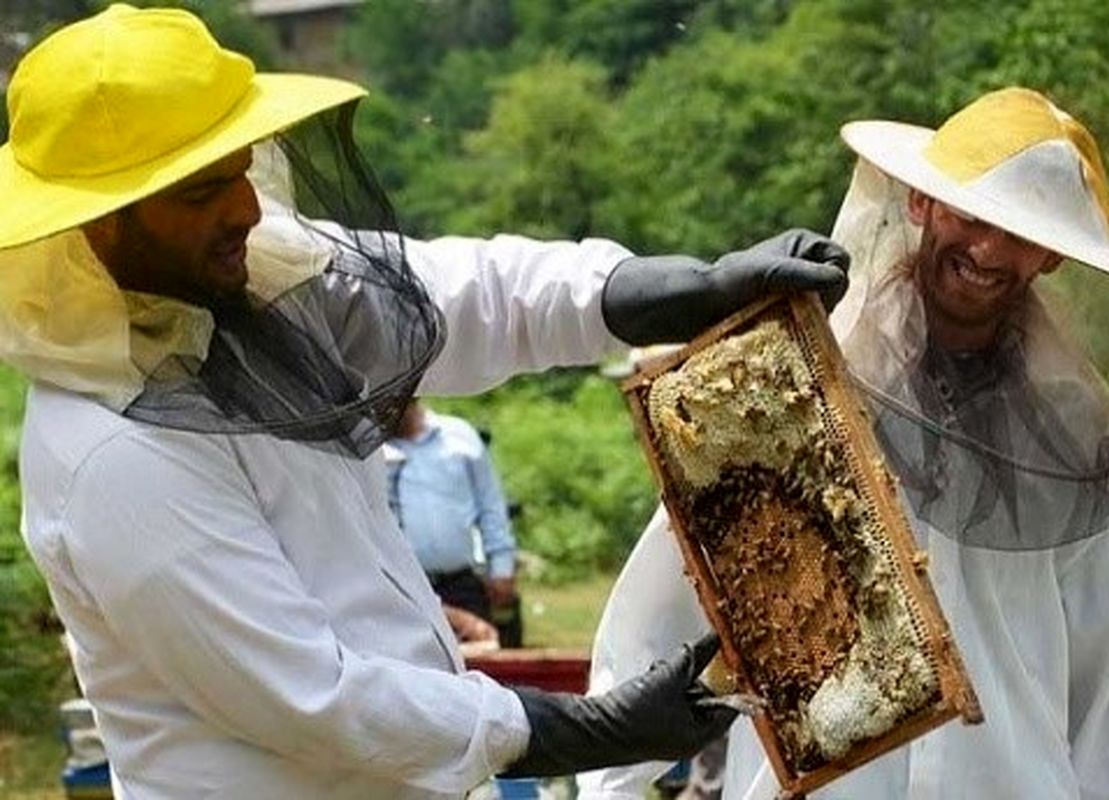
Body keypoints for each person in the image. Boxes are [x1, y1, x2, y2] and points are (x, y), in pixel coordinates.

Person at [2, 6, 851, 799]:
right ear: (99, 224)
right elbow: (312, 698)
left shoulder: (256, 278)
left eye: (238, 170)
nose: (245, 207)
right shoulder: (107, 455)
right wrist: (587, 730)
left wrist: (675, 287)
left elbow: (464, 291)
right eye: (200, 192)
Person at [577, 87, 1109, 800]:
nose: (989, 249)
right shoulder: (792, 384)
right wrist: (609, 785)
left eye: (1023, 234)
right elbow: (661, 614)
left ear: (1052, 258)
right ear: (920, 204)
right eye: (973, 215)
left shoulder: (1073, 433)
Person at [383, 400, 520, 642]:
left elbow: (491, 506)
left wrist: (501, 567)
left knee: (478, 666)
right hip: (401, 590)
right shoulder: (369, 452)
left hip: (461, 584)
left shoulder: (460, 436)